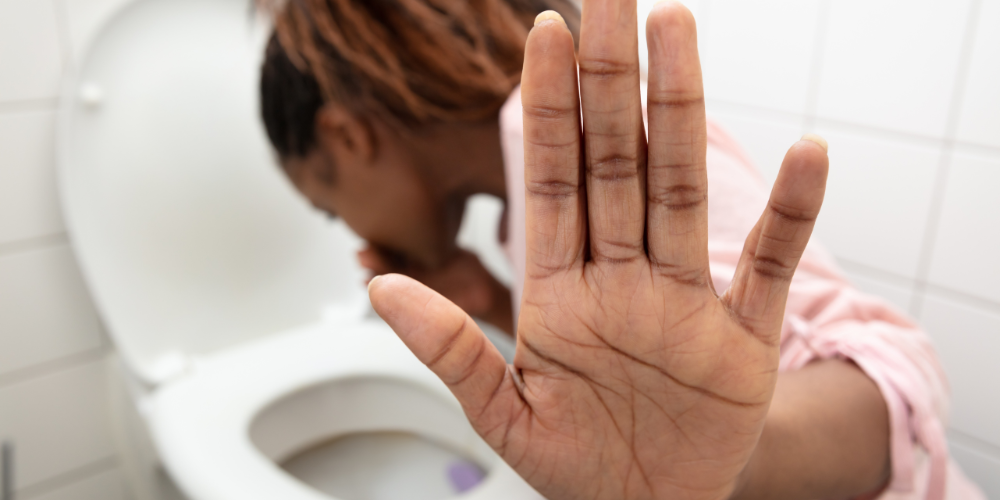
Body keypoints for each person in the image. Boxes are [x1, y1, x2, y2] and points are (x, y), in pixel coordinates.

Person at [258, 0, 984, 498]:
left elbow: (896, 378)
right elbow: (627, 380)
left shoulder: (572, 137)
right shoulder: (524, 211)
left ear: (347, 139)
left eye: (329, 209)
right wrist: (490, 303)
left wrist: (729, 464)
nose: (356, 235)